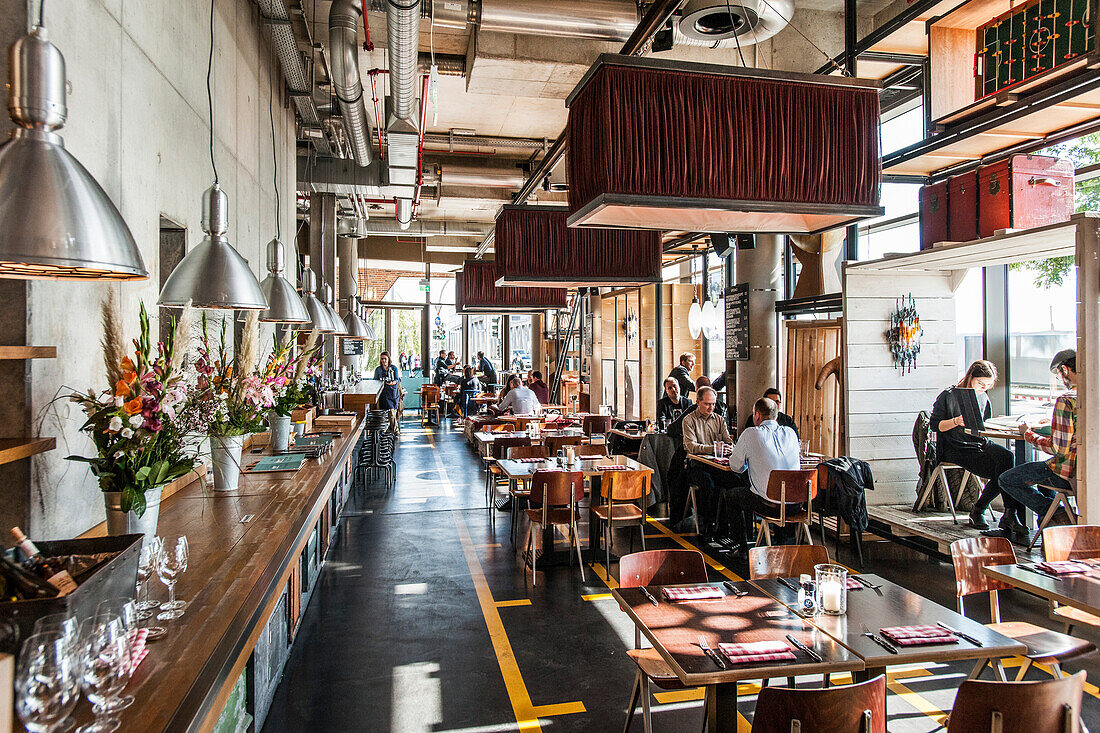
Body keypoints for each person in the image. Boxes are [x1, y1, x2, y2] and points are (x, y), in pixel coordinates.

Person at [928, 360, 1019, 535]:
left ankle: (1009, 513)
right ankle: (980, 510)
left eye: (987, 385)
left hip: (977, 442)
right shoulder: (949, 395)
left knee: (1007, 458)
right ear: (971, 377)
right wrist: (956, 421)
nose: (983, 388)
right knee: (1002, 472)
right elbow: (935, 425)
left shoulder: (983, 396)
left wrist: (994, 424)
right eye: (980, 383)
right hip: (955, 446)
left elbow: (982, 425)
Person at [999, 349, 1079, 539]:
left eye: (1059, 375)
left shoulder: (1066, 400)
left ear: (1065, 370)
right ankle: (1053, 527)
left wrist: (1028, 434)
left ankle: (1059, 515)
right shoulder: (1092, 396)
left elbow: (1058, 449)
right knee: (1043, 482)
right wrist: (1052, 425)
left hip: (1067, 472)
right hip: (1088, 474)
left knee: (1007, 479)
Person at [723, 397, 801, 547]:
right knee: (777, 491)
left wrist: (750, 464)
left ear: (757, 415)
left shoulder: (751, 433)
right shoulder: (791, 433)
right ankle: (782, 542)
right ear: (776, 416)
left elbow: (735, 467)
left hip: (769, 505)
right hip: (796, 504)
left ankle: (741, 548)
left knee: (732, 496)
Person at [681, 386, 734, 538]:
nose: (711, 407)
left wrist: (730, 447)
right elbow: (691, 446)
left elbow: (728, 441)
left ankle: (727, 525)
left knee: (734, 481)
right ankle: (708, 525)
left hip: (716, 466)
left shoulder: (719, 419)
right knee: (709, 484)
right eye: (707, 404)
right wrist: (713, 448)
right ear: (698, 402)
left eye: (713, 404)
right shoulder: (689, 420)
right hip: (696, 467)